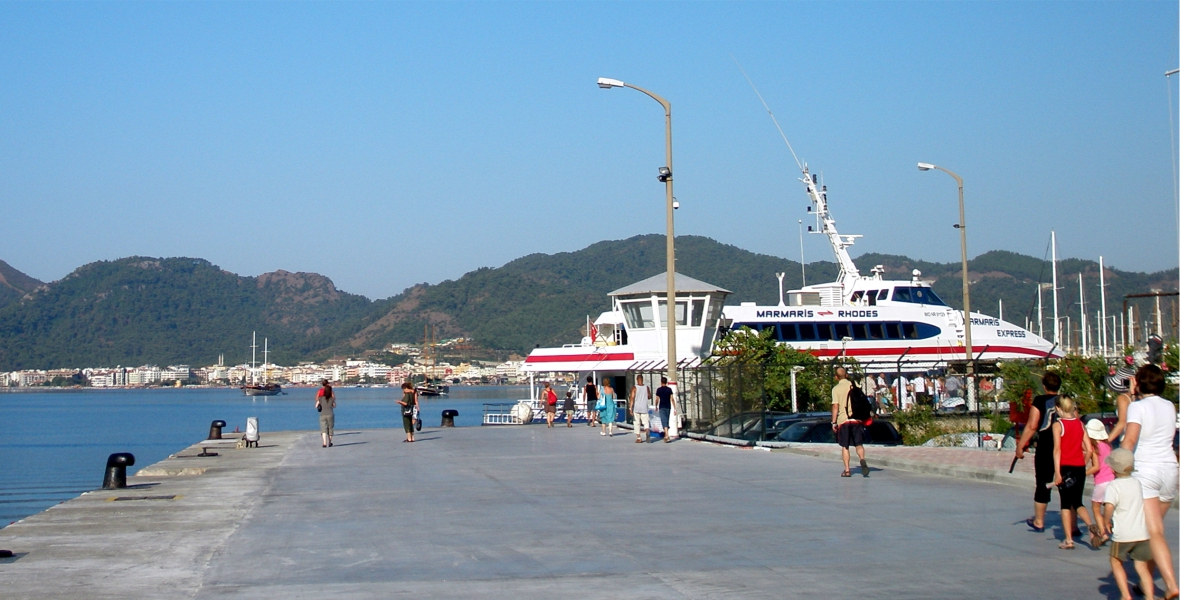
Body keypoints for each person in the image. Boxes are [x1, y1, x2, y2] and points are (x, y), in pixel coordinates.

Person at [1120, 364, 1179, 599]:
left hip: (1146, 470)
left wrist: (1117, 466)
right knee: (1151, 532)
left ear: (1139, 383)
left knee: (1154, 532)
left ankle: (1172, 584)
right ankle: (1146, 584)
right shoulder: (1169, 406)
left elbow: (1130, 439)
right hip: (1169, 470)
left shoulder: (1137, 407)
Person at [1102, 448, 1157, 600]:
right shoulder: (1137, 483)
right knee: (1142, 566)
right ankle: (1150, 597)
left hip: (1123, 534)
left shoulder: (1113, 486)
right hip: (1141, 533)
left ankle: (1126, 596)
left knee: (1116, 561)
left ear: (1113, 469)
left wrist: (1106, 521)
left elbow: (1109, 507)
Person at [1014, 371, 1061, 532]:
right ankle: (1072, 523)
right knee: (1067, 485)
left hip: (1046, 446)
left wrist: (1021, 445)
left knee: (1043, 482)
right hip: (1064, 445)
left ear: (1044, 386)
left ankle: (1039, 520)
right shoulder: (1065, 400)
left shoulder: (1040, 401)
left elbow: (1032, 425)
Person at [1052, 396, 1095, 549]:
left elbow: (1057, 450)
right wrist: (1083, 463)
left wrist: (1057, 473)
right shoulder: (1080, 424)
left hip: (1065, 467)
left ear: (1058, 408)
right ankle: (1090, 525)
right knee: (1077, 501)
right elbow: (1089, 449)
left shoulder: (1058, 425)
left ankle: (1068, 539)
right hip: (1079, 467)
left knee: (1065, 504)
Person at [831, 367, 868, 477]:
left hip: (844, 420)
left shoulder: (836, 389)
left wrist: (834, 422)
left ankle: (847, 470)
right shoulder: (855, 384)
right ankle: (862, 459)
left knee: (845, 446)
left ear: (836, 377)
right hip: (857, 418)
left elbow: (835, 406)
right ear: (846, 375)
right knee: (859, 444)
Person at [1086, 418, 1115, 547]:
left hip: (1101, 481)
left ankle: (1103, 533)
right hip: (1112, 480)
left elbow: (1096, 467)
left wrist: (1083, 473)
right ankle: (1109, 525)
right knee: (1110, 506)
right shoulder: (1108, 446)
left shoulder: (1094, 448)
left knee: (1095, 508)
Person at [1106, 363, 1139, 441]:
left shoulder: (1123, 398)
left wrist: (1106, 441)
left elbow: (1122, 423)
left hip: (1126, 438)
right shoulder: (1138, 397)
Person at [629, 374, 651, 444]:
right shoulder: (646, 387)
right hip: (644, 407)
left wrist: (630, 408)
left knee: (637, 423)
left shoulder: (634, 388)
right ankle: (647, 430)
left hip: (637, 407)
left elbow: (632, 398)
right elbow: (649, 396)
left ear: (637, 380)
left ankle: (639, 438)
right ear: (642, 379)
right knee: (646, 422)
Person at [654, 376, 677, 443]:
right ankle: (666, 435)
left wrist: (656, 406)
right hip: (668, 406)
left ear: (661, 382)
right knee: (666, 420)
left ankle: (666, 435)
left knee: (663, 421)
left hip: (662, 407)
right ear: (666, 382)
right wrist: (675, 408)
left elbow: (657, 399)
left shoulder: (659, 390)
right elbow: (672, 399)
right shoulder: (669, 389)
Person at [315, 379, 336, 448]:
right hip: (330, 413)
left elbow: (316, 401)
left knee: (323, 429)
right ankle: (330, 442)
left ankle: (324, 443)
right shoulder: (331, 396)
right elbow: (334, 404)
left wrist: (320, 403)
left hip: (322, 413)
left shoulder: (320, 393)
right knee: (330, 428)